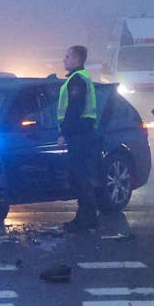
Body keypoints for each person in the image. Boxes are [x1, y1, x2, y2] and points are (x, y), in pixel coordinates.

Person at [56, 44, 99, 232]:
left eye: (67, 56)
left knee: (80, 177)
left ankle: (86, 219)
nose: (64, 60)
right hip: (82, 132)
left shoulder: (77, 80)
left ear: (77, 59)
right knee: (82, 177)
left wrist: (64, 133)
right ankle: (87, 217)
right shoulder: (80, 78)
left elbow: (74, 108)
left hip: (79, 133)